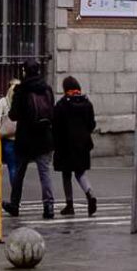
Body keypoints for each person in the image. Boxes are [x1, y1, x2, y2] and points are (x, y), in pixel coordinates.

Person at [8, 59, 57, 219]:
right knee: (44, 173)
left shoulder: (21, 90)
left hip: (26, 139)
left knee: (19, 173)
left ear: (24, 72)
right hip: (44, 137)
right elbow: (52, 111)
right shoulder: (47, 88)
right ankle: (49, 206)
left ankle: (14, 205)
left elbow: (13, 115)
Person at [53, 75, 98, 216]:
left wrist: (55, 143)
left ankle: (69, 204)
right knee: (80, 172)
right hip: (83, 144)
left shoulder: (61, 105)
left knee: (66, 174)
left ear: (65, 89)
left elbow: (56, 127)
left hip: (65, 146)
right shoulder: (87, 103)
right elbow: (92, 124)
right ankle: (90, 193)